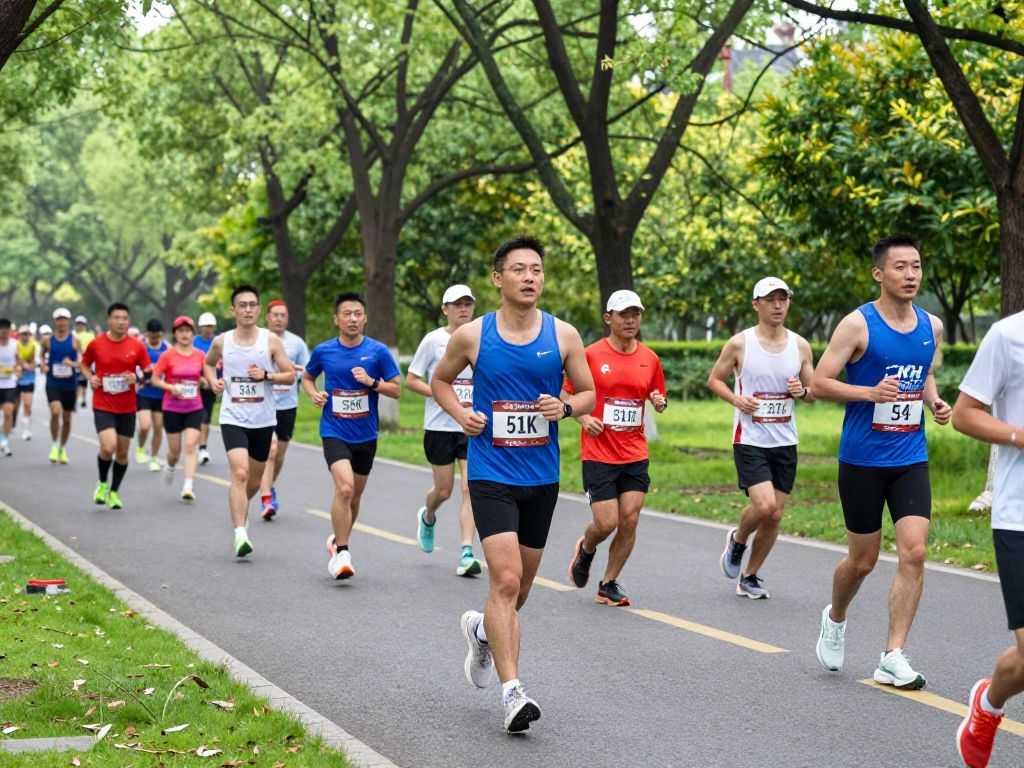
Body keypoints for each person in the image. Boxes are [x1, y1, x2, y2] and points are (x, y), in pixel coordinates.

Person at [431, 235, 595, 733]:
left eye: (537, 270)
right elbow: (440, 381)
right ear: (498, 279)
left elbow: (588, 393)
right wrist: (461, 414)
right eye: (520, 269)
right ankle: (512, 694)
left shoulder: (563, 334)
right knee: (503, 581)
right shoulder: (472, 336)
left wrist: (564, 408)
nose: (530, 277)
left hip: (542, 477)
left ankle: (482, 630)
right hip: (490, 473)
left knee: (518, 591)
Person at [812, 233, 951, 690]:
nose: (911, 275)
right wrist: (867, 393)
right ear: (879, 273)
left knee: (914, 551)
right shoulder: (858, 325)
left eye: (916, 266)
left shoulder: (931, 325)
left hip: (911, 455)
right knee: (863, 560)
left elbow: (925, 372)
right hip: (862, 459)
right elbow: (818, 383)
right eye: (900, 267)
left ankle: (893, 654)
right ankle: (836, 616)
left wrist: (933, 402)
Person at [707, 277, 816, 599]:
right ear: (757, 305)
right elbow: (714, 380)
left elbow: (813, 392)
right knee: (765, 505)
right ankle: (738, 539)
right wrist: (737, 400)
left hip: (785, 439)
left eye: (783, 299)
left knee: (776, 515)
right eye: (770, 300)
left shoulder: (800, 345)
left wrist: (803, 391)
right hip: (750, 437)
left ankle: (750, 576)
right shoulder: (740, 343)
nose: (778, 305)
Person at [951, 309, 1024, 768]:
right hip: (1020, 516)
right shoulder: (1008, 335)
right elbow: (964, 415)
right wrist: (1018, 434)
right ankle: (989, 705)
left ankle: (988, 703)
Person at [565, 289, 667, 607]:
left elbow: (656, 394)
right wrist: (583, 418)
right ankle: (587, 548)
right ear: (608, 318)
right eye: (624, 314)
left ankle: (608, 583)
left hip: (635, 452)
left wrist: (659, 401)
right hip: (598, 452)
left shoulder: (649, 358)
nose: (631, 320)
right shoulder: (591, 355)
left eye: (635, 314)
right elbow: (565, 393)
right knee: (606, 523)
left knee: (631, 519)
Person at [302, 292, 401, 578]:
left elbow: (396, 389)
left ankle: (337, 541)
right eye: (347, 313)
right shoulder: (324, 351)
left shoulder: (378, 351)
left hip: (366, 434)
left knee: (354, 497)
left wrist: (371, 382)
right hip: (334, 430)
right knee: (344, 488)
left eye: (358, 313)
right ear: (336, 319)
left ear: (365, 317)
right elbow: (307, 377)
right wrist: (314, 394)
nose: (353, 318)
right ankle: (343, 552)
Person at [203, 286, 295, 557]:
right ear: (233, 310)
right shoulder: (222, 341)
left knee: (254, 482)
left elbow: (290, 375)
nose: (247, 310)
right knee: (240, 473)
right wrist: (213, 381)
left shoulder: (270, 341)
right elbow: (208, 364)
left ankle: (240, 508)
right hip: (233, 417)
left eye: (252, 305)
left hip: (264, 420)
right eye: (242, 305)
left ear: (258, 309)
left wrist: (267, 375)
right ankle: (240, 532)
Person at [407, 284, 482, 576]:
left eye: (467, 304)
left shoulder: (481, 339)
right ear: (445, 309)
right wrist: (440, 393)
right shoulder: (433, 340)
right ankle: (428, 516)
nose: (463, 309)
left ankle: (466, 552)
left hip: (471, 424)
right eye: (457, 305)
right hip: (439, 426)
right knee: (444, 490)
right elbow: (411, 379)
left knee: (469, 487)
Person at [82, 303, 154, 509]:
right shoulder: (96, 343)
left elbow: (148, 371)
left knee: (122, 453)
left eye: (125, 318)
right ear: (109, 320)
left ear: (128, 321)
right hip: (103, 403)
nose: (121, 322)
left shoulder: (136, 346)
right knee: (108, 446)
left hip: (128, 406)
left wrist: (137, 377)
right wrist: (91, 378)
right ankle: (102, 483)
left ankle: (114, 491)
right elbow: (84, 364)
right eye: (117, 318)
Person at [258, 300, 310, 520]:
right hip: (263, 403)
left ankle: (269, 485)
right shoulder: (259, 339)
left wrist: (297, 372)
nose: (279, 319)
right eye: (275, 315)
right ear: (267, 317)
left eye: (283, 315)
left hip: (288, 405)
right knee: (270, 450)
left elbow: (308, 371)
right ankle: (266, 498)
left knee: (279, 454)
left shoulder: (297, 343)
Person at [152, 316, 207, 501]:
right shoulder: (167, 355)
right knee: (174, 452)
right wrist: (170, 387)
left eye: (188, 331)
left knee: (191, 446)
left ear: (193, 333)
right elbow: (155, 379)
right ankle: (170, 465)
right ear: (175, 334)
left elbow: (207, 378)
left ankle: (188, 486)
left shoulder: (200, 355)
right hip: (172, 407)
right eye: (181, 331)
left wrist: (204, 381)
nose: (185, 334)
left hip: (194, 406)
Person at [41, 309, 81, 464]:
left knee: (67, 418)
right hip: (53, 382)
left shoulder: (75, 341)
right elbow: (42, 356)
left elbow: (81, 361)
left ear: (69, 321)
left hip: (70, 385)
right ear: (55, 321)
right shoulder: (48, 341)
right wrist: (43, 366)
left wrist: (73, 364)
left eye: (64, 319)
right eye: (59, 319)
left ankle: (63, 448)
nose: (62, 322)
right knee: (55, 411)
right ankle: (54, 444)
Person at [135, 319, 168, 471]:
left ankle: (154, 458)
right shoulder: (141, 347)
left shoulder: (167, 348)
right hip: (144, 393)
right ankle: (140, 447)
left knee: (158, 427)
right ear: (147, 333)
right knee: (145, 426)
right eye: (152, 336)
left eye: (158, 336)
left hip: (161, 394)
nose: (155, 339)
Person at [193, 312, 218, 466]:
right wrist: (199, 379)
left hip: (211, 385)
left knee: (205, 417)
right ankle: (195, 445)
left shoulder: (218, 342)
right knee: (196, 417)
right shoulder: (194, 342)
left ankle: (203, 448)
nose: (208, 329)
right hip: (194, 384)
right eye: (205, 326)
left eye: (211, 326)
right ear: (199, 327)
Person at [0, 318, 21, 456]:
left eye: (7, 329)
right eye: (2, 329)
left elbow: (19, 362)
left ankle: (4, 441)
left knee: (8, 412)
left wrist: (18, 369)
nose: (5, 331)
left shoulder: (15, 344)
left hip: (9, 384)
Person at [15, 324, 38, 441]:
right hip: (15, 379)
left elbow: (35, 362)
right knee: (14, 406)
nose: (25, 336)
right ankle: (12, 423)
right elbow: (16, 360)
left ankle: (26, 430)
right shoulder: (15, 346)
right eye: (23, 334)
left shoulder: (33, 346)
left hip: (29, 379)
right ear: (19, 335)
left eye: (27, 334)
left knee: (28, 404)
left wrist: (29, 366)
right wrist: (23, 365)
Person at [73, 315, 95, 409]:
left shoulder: (90, 336)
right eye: (78, 323)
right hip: (74, 362)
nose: (80, 325)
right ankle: (77, 399)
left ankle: (83, 398)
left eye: (82, 324)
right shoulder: (72, 334)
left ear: (85, 325)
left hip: (87, 362)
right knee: (77, 382)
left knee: (84, 381)